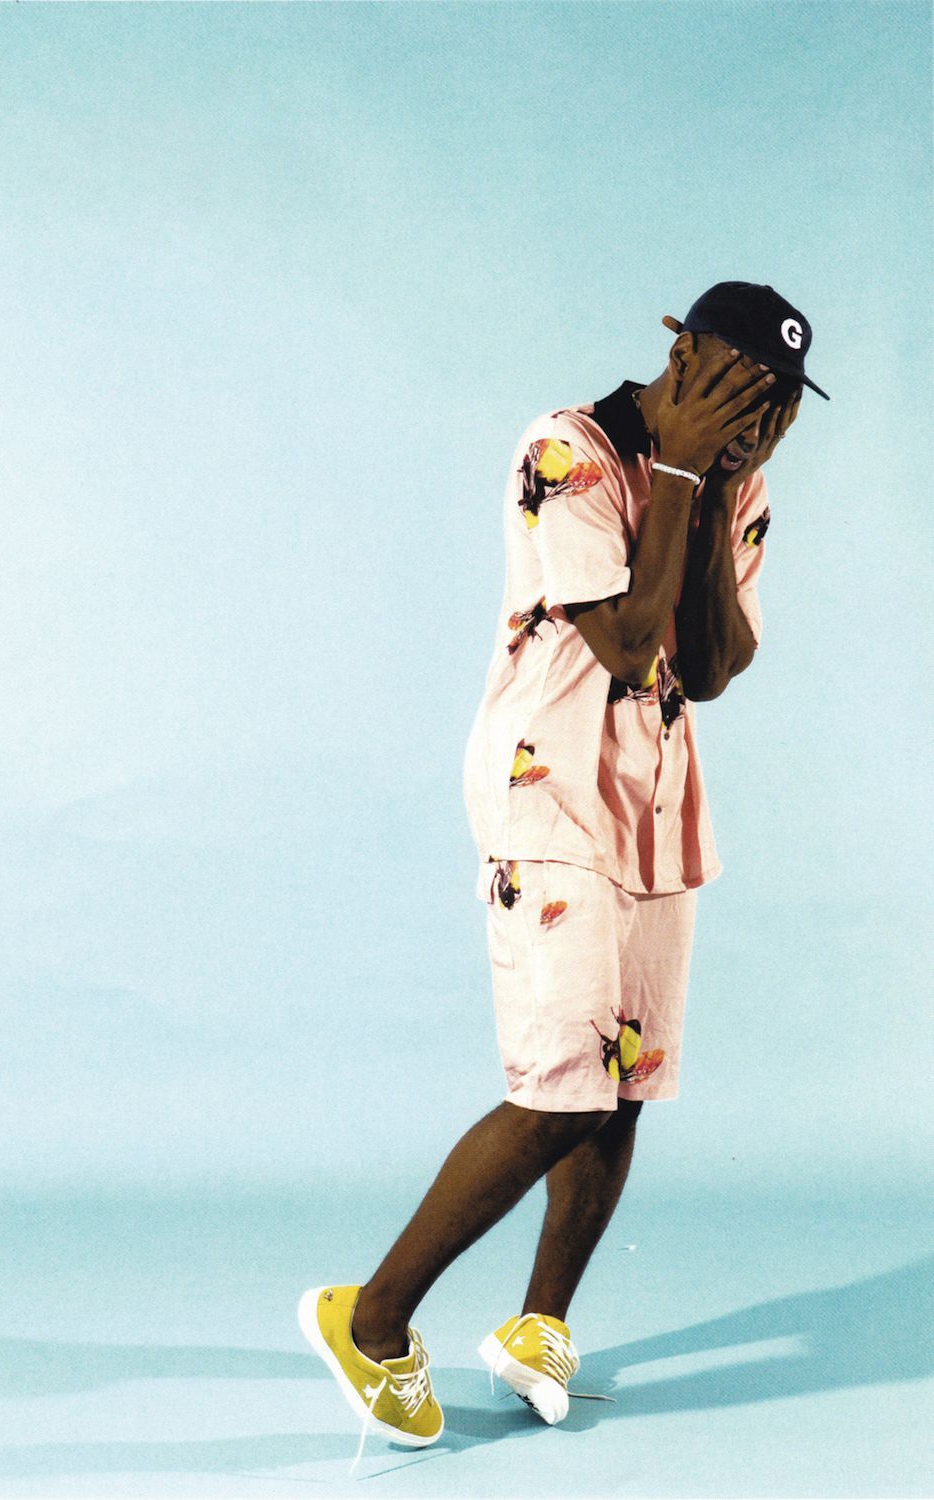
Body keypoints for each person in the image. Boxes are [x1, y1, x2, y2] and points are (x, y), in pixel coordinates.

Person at [298, 281, 829, 1470]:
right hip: (548, 792)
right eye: (744, 388)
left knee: (621, 1079)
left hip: (653, 804)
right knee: (561, 1089)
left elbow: (709, 667)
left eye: (784, 403)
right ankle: (368, 1317)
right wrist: (678, 472)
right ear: (682, 358)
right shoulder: (567, 450)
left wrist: (715, 486)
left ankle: (539, 1322)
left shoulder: (738, 484)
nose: (764, 420)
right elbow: (628, 644)